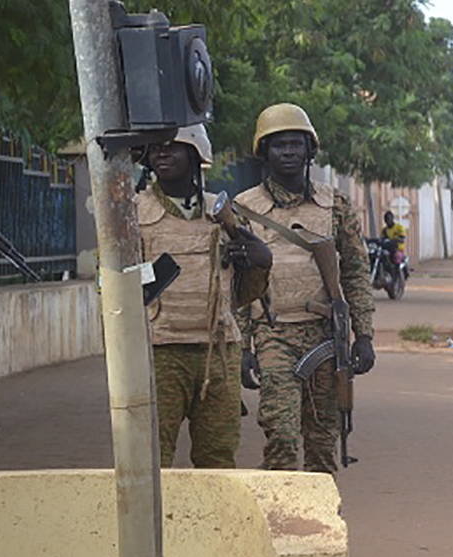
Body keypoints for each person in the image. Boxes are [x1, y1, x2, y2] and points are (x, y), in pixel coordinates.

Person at [235, 103, 376, 473]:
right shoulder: (244, 209)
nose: (288, 152)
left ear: (310, 150)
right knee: (280, 434)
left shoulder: (335, 205)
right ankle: (282, 518)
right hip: (272, 334)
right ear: (264, 151)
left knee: (322, 438)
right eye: (278, 145)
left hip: (324, 336)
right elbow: (236, 285)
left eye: (296, 144)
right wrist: (242, 347)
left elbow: (356, 273)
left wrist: (363, 335)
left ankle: (320, 520)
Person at [136, 124, 271, 468]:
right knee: (152, 457)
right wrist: (154, 274)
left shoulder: (223, 214)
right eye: (156, 149)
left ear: (197, 154)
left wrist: (258, 262)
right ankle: (157, 524)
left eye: (173, 147)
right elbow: (109, 284)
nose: (162, 154)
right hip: (159, 351)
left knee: (218, 457)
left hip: (218, 351)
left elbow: (243, 293)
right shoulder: (133, 212)